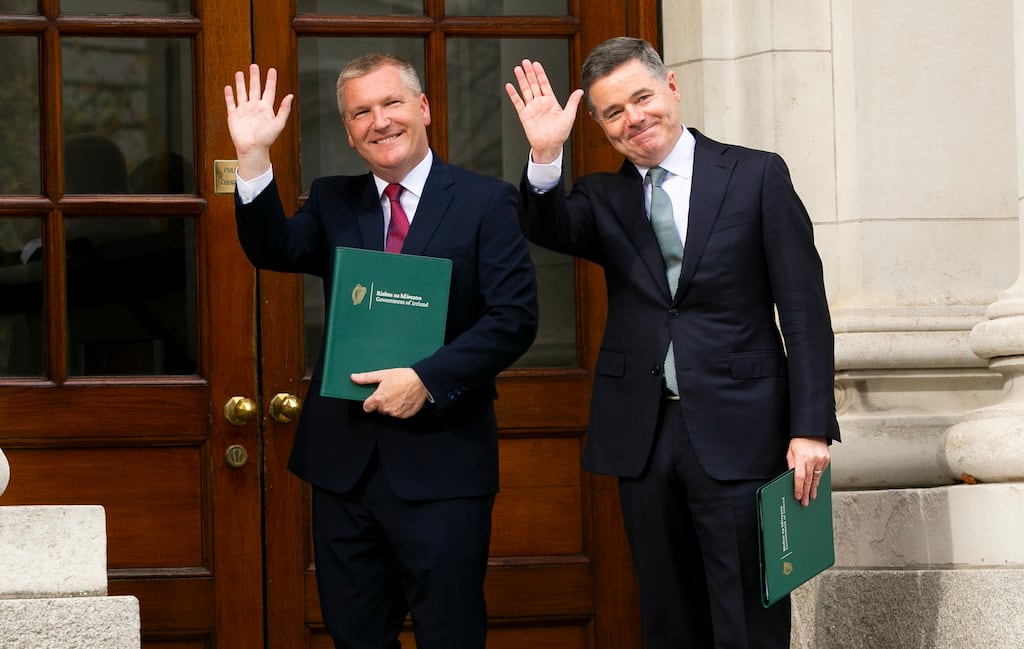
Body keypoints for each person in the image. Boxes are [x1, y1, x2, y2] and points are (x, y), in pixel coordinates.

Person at [505, 37, 840, 649]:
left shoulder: (756, 174)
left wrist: (810, 427)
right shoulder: (601, 199)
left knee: (747, 616)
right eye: (612, 112)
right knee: (667, 616)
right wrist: (545, 153)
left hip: (745, 431)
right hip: (645, 435)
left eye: (642, 97)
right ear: (599, 125)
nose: (634, 119)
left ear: (672, 88)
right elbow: (545, 224)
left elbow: (804, 310)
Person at [225, 54, 538, 649]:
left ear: (423, 108)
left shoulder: (485, 202)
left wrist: (424, 378)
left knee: (450, 634)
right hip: (344, 468)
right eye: (360, 112)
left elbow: (514, 319)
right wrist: (253, 157)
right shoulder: (333, 200)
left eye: (391, 103)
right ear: (348, 131)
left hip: (444, 465)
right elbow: (274, 247)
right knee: (356, 635)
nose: (379, 121)